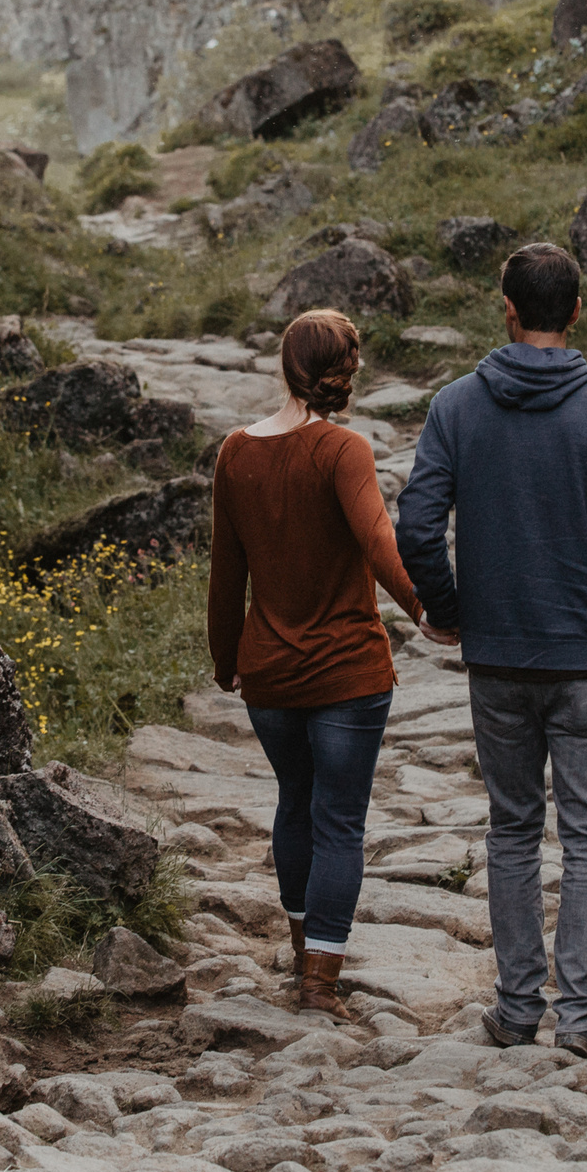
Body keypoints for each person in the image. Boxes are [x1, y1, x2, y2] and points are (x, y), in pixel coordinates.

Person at [396, 242, 587, 1059]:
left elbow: (414, 525)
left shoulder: (455, 406)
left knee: (512, 829)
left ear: (505, 308)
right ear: (576, 310)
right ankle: (579, 1018)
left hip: (499, 657)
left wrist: (449, 608)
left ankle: (516, 1008)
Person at [208, 308, 458, 1021]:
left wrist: (226, 658)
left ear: (285, 366)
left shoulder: (235, 451)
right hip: (348, 673)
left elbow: (227, 574)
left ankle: (299, 950)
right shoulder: (342, 449)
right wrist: (425, 610)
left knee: (295, 802)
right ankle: (319, 981)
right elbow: (381, 542)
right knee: (339, 821)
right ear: (344, 376)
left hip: (271, 675)